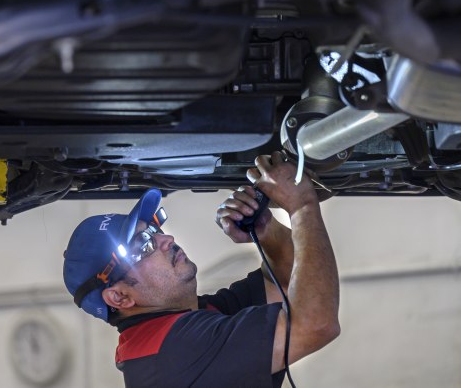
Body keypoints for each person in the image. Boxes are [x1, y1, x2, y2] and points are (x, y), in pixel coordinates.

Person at [63, 151, 340, 387]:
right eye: (143, 244)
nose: (166, 240)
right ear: (120, 297)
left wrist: (264, 228)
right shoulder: (174, 351)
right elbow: (316, 324)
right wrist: (301, 205)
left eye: (154, 230)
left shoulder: (182, 324)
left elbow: (284, 282)